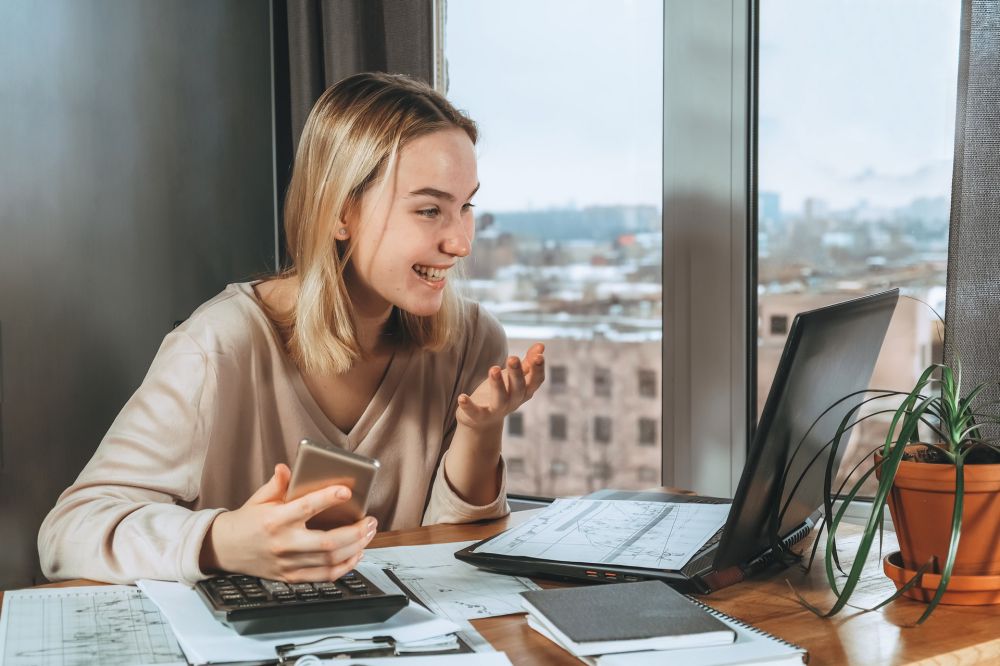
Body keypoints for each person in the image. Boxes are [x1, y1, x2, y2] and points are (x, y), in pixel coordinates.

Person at [38, 72, 545, 586]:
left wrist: (480, 433)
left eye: (467, 208)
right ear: (342, 211)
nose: (460, 243)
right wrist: (223, 541)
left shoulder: (473, 341)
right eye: (430, 210)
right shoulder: (217, 347)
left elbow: (451, 559)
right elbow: (67, 533)